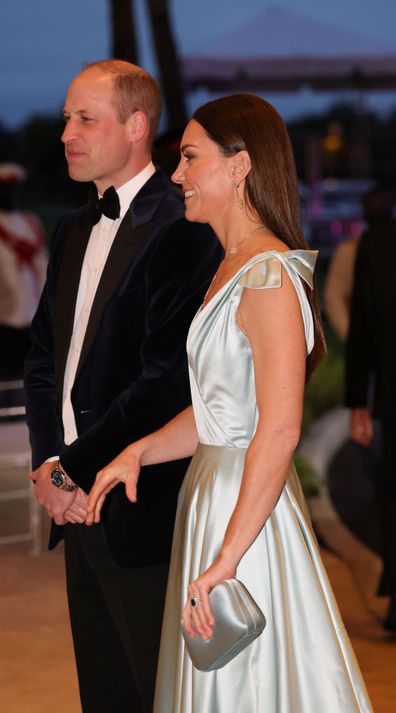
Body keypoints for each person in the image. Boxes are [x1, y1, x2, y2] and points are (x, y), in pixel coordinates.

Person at [87, 94, 373, 712]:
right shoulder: (233, 265)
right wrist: (138, 450)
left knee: (249, 687)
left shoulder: (268, 273)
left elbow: (278, 429)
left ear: (239, 165)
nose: (177, 174)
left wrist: (228, 558)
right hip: (214, 496)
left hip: (247, 513)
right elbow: (219, 411)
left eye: (190, 158)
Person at [23, 60, 221, 713]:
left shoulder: (182, 225)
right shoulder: (72, 227)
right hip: (75, 504)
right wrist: (49, 461)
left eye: (85, 118)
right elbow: (44, 357)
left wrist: (72, 471)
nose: (66, 134)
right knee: (103, 693)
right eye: (65, 119)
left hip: (145, 506)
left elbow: (166, 380)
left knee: (160, 691)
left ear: (135, 126)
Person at [345, 187, 396, 633]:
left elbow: (362, 325)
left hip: (392, 393)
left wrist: (358, 400)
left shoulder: (375, 246)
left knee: (392, 492)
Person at [0, 162, 47, 379]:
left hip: (34, 317)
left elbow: (43, 261)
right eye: (5, 189)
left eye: (14, 188)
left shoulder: (31, 222)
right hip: (5, 319)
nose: (11, 194)